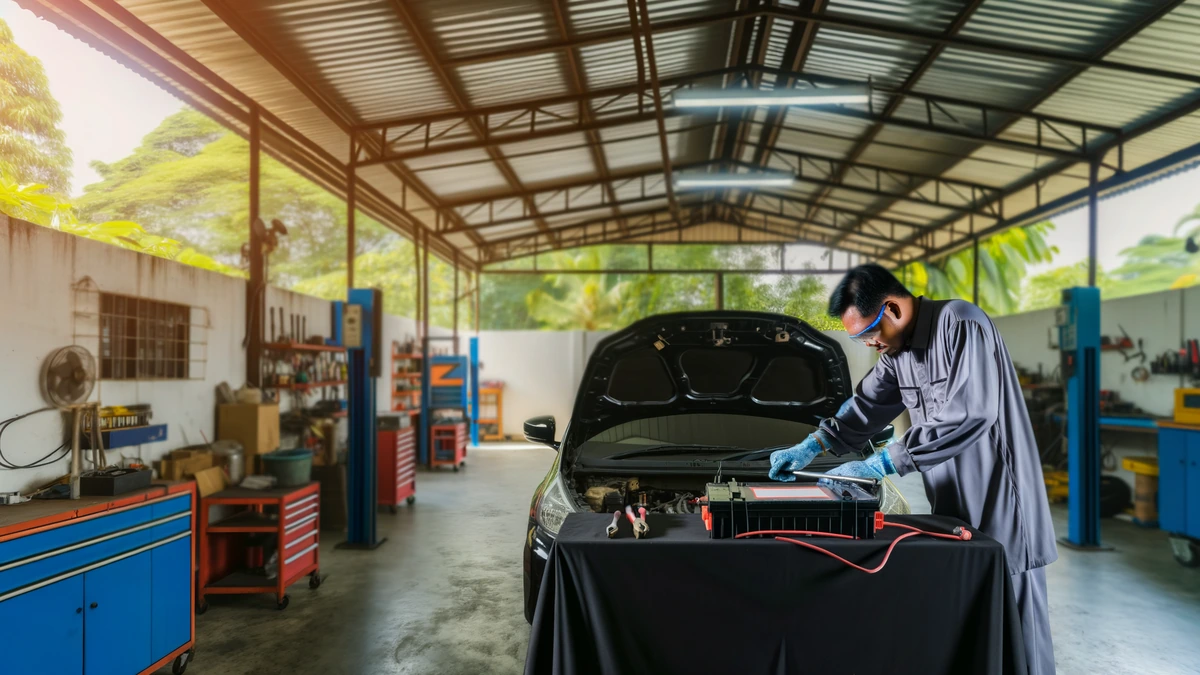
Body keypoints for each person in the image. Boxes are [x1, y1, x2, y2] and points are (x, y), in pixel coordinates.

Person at [770, 264, 1057, 675]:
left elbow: (971, 413)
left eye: (867, 333)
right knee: (976, 630)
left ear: (891, 308)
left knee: (1018, 630)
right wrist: (813, 445)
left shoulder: (961, 323)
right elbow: (867, 406)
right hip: (952, 507)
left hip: (1003, 505)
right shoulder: (897, 354)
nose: (869, 344)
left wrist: (886, 462)